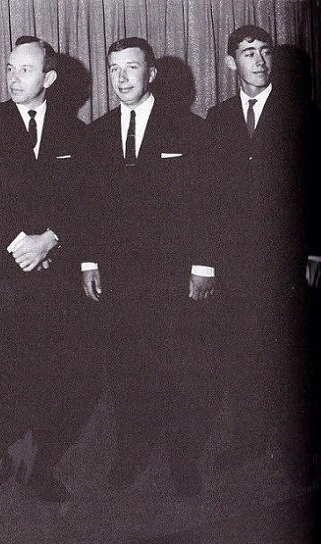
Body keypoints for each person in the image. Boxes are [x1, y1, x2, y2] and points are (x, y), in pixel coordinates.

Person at [0, 36, 97, 515]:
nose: (13, 78)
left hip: (54, 280)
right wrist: (20, 243)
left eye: (24, 69)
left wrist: (52, 239)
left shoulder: (77, 134)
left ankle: (40, 468)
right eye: (9, 68)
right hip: (0, 279)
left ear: (50, 77)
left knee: (53, 379)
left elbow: (86, 203)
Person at [82, 37, 214, 495]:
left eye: (131, 68)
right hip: (119, 277)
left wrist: (204, 265)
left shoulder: (190, 129)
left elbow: (208, 203)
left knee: (180, 369)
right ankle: (130, 452)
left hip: (173, 275)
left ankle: (182, 460)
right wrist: (89, 261)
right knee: (126, 369)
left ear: (152, 73)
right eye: (113, 69)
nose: (121, 78)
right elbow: (88, 207)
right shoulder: (96, 133)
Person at [206, 25, 319, 479]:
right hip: (235, 264)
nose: (259, 60)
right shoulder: (217, 117)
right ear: (230, 62)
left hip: (286, 261)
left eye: (265, 51)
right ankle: (249, 441)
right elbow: (210, 196)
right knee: (242, 354)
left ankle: (297, 451)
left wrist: (314, 253)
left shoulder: (301, 114)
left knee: (291, 355)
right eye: (248, 52)